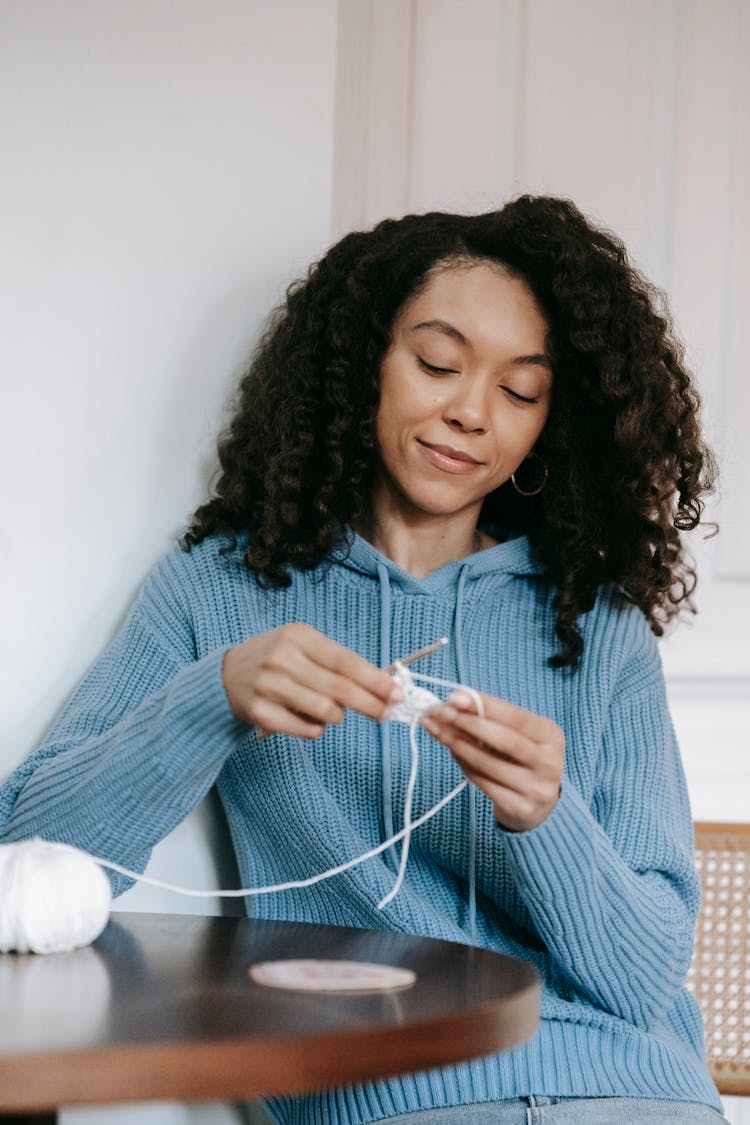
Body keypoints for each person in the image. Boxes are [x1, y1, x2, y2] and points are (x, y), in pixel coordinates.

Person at [0, 195, 726, 1124]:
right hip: (395, 1101)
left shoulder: (598, 624)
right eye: (437, 363)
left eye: (520, 391)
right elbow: (33, 861)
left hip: (633, 1091)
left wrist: (549, 819)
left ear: (552, 422)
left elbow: (644, 977)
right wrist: (209, 699)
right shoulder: (223, 591)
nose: (470, 412)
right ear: (364, 367)